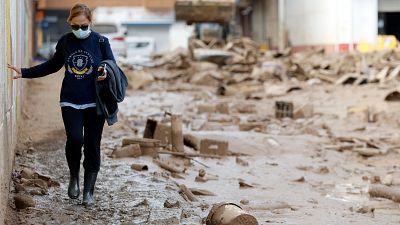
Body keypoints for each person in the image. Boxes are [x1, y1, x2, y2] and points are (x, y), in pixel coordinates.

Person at [7, 3, 115, 206]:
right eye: (75, 26)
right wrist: (25, 72)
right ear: (70, 24)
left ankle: (88, 192)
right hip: (70, 101)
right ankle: (74, 176)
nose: (80, 30)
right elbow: (52, 65)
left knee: (93, 145)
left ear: (90, 22)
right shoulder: (65, 42)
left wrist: (105, 72)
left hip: (95, 103)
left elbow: (111, 63)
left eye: (83, 26)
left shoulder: (101, 41)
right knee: (75, 139)